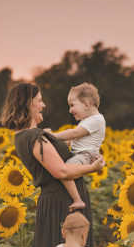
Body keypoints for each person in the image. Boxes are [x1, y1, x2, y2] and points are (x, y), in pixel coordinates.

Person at [0, 83, 105, 247]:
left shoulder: (25, 137)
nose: (43, 105)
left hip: (56, 199)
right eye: (40, 101)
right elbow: (61, 172)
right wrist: (93, 167)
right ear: (27, 105)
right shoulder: (35, 137)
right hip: (62, 202)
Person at [45, 83, 106, 212]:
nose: (70, 110)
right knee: (62, 169)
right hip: (80, 154)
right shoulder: (88, 120)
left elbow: (74, 134)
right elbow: (72, 139)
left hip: (85, 155)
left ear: (86, 104)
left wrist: (52, 136)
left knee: (63, 171)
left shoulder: (97, 120)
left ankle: (77, 200)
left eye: (72, 105)